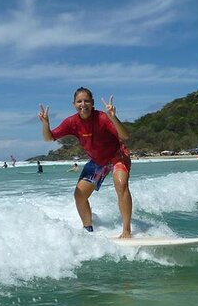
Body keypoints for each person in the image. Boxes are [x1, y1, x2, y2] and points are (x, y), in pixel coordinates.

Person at [38, 87, 132, 238]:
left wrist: (113, 117)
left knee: (121, 185)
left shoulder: (102, 118)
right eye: (79, 101)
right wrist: (45, 124)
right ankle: (88, 231)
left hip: (117, 155)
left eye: (86, 101)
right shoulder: (72, 122)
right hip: (97, 161)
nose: (83, 104)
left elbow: (125, 135)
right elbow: (49, 138)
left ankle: (126, 231)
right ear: (74, 104)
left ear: (92, 103)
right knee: (79, 196)